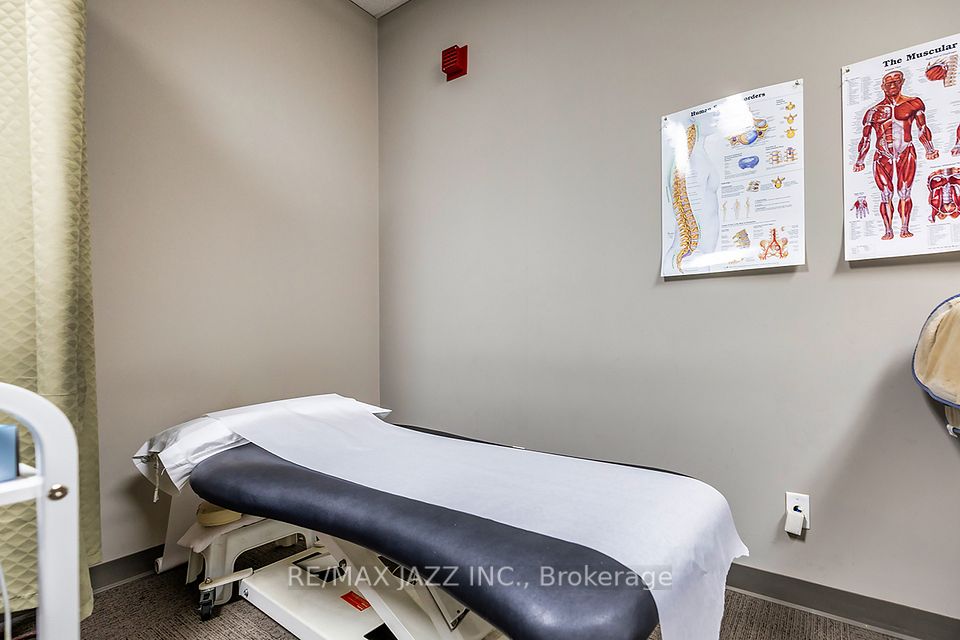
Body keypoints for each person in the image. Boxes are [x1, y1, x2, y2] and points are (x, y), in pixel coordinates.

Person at [853, 71, 938, 239]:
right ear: (882, 86)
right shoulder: (872, 111)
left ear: (902, 82)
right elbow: (866, 138)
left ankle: (904, 228)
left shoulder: (913, 103)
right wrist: (859, 160)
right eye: (888, 82)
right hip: (882, 155)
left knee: (905, 192)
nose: (892, 85)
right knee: (885, 194)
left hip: (905, 151)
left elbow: (922, 128)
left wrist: (929, 149)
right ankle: (888, 230)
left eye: (896, 81)